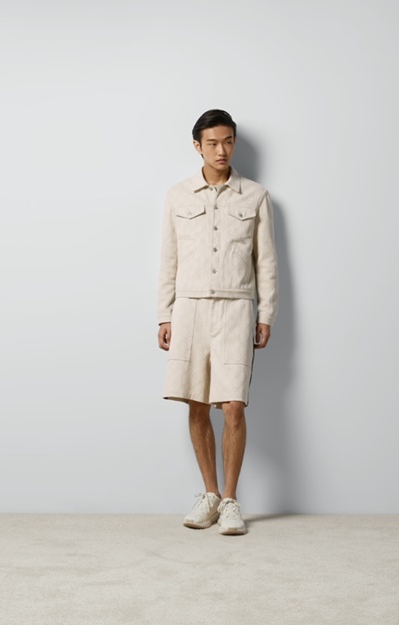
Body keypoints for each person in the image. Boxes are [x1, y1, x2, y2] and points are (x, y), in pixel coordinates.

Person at [157, 109, 278, 535]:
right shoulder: (177, 196)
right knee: (195, 402)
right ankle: (208, 494)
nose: (221, 150)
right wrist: (164, 314)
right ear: (197, 146)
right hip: (189, 308)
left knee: (232, 406)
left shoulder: (255, 196)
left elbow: (266, 262)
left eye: (227, 141)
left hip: (236, 308)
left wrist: (266, 314)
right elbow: (169, 259)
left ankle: (230, 500)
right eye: (212, 143)